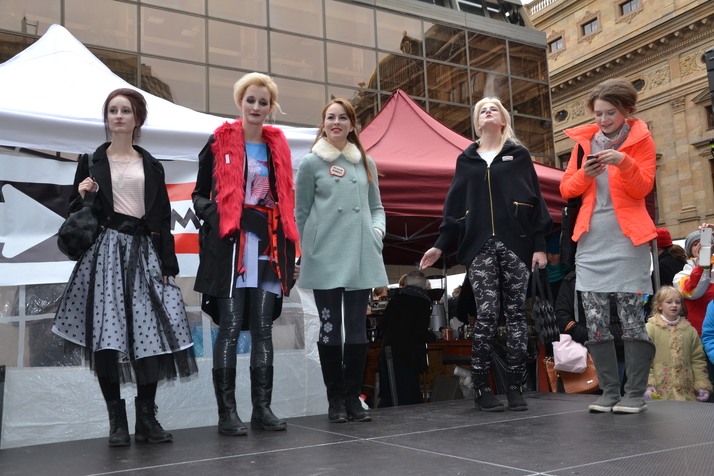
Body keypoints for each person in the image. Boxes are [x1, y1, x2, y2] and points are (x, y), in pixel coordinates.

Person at [53, 88, 197, 446]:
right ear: (107, 118)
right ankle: (117, 422)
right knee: (107, 338)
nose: (118, 116)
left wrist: (168, 263)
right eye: (113, 111)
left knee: (150, 336)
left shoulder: (152, 165)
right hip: (104, 255)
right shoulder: (90, 161)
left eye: (126, 111)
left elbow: (162, 217)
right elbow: (75, 213)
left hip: (144, 253)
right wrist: (82, 194)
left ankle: (146, 420)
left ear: (138, 119)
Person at [420, 97, 552, 412]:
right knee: (487, 314)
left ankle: (516, 388)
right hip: (479, 245)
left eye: (494, 109)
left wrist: (539, 246)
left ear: (503, 120)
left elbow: (535, 200)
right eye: (482, 110)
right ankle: (482, 388)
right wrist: (440, 244)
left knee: (517, 314)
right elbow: (453, 207)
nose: (488, 112)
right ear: (477, 123)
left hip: (517, 243)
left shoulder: (519, 155)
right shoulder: (466, 160)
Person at [193, 72, 298, 436]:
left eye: (263, 102)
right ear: (240, 102)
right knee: (230, 327)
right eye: (250, 100)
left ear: (271, 108)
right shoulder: (219, 141)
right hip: (231, 248)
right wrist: (228, 217)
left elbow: (286, 203)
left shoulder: (278, 146)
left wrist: (289, 252)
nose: (256, 107)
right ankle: (227, 414)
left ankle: (262, 410)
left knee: (264, 329)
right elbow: (199, 195)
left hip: (269, 246)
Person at [559, 78, 657, 414]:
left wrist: (623, 162)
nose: (602, 120)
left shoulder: (641, 140)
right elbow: (566, 189)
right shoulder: (583, 144)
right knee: (595, 320)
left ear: (627, 110)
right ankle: (609, 392)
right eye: (598, 113)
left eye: (610, 113)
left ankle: (634, 394)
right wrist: (585, 174)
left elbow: (642, 187)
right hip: (590, 244)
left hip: (628, 243)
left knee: (631, 319)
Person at [295, 98, 388, 423]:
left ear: (352, 125)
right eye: (331, 117)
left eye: (343, 118)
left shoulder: (365, 162)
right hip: (325, 254)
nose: (336, 122)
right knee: (330, 326)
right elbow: (301, 211)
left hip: (360, 252)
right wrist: (309, 247)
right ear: (323, 124)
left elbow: (377, 207)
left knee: (358, 327)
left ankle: (353, 398)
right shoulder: (310, 163)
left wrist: (377, 232)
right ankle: (335, 400)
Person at [554, 269, 626, 394]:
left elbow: (631, 318)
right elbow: (562, 317)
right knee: (583, 401)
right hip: (583, 353)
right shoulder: (573, 280)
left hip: (615, 350)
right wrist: (589, 336)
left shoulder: (622, 278)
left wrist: (606, 336)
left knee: (613, 397)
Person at [377, 271, 437, 407]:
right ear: (424, 284)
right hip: (408, 354)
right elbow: (420, 332)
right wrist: (434, 336)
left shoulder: (395, 300)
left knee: (389, 395)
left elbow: (381, 325)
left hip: (388, 352)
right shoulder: (422, 302)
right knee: (408, 397)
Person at [644, 286, 712, 402]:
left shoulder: (690, 331)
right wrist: (648, 384)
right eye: (669, 302)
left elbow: (698, 360)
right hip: (660, 393)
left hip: (687, 394)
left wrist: (702, 385)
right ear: (659, 305)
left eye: (678, 302)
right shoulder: (650, 329)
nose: (674, 305)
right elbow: (644, 359)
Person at [673, 229, 714, 334]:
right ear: (690, 251)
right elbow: (692, 293)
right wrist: (703, 264)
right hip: (697, 332)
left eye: (704, 244)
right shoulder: (681, 275)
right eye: (695, 244)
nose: (700, 247)